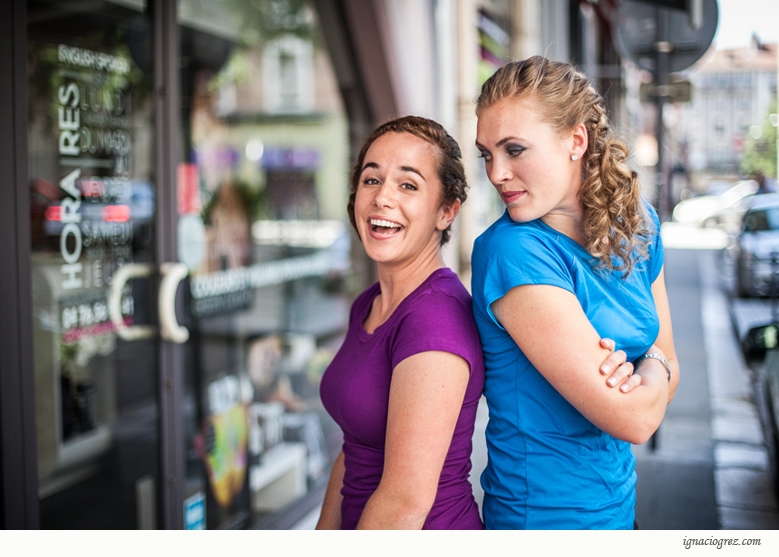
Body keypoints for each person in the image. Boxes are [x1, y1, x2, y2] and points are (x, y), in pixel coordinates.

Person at [316, 115, 635, 530]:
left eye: (408, 185)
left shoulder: (434, 321)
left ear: (447, 212)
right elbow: (354, 447)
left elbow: (405, 503)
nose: (382, 198)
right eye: (371, 180)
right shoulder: (369, 304)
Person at [471, 56, 680, 530]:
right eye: (486, 153)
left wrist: (652, 364)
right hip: (541, 523)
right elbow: (636, 419)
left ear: (576, 140)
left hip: (621, 509)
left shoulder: (637, 222)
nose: (496, 173)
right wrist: (653, 364)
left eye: (514, 150)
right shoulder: (512, 251)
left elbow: (673, 365)